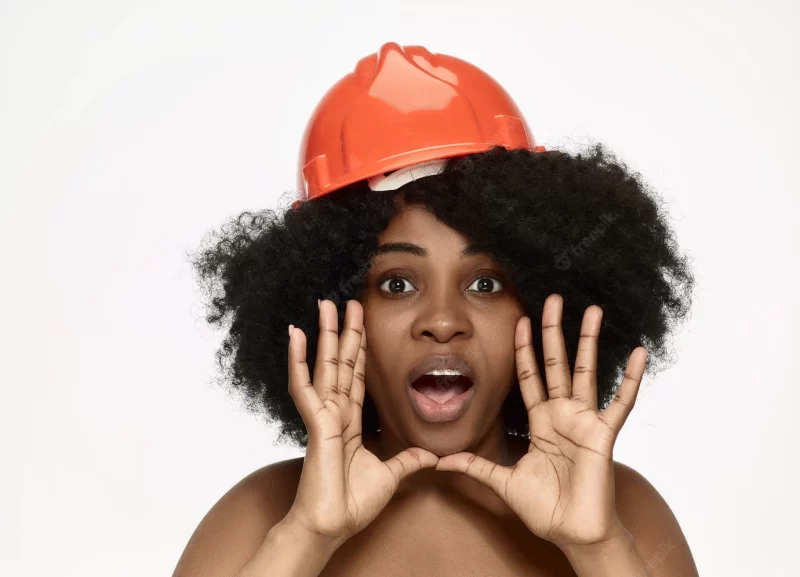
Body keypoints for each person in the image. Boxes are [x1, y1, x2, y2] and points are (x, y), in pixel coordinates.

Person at [174, 42, 699, 576]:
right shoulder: (260, 517)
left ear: (537, 305)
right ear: (331, 309)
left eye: (487, 283)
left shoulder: (623, 513)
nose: (444, 321)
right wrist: (307, 535)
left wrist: (598, 549)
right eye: (397, 283)